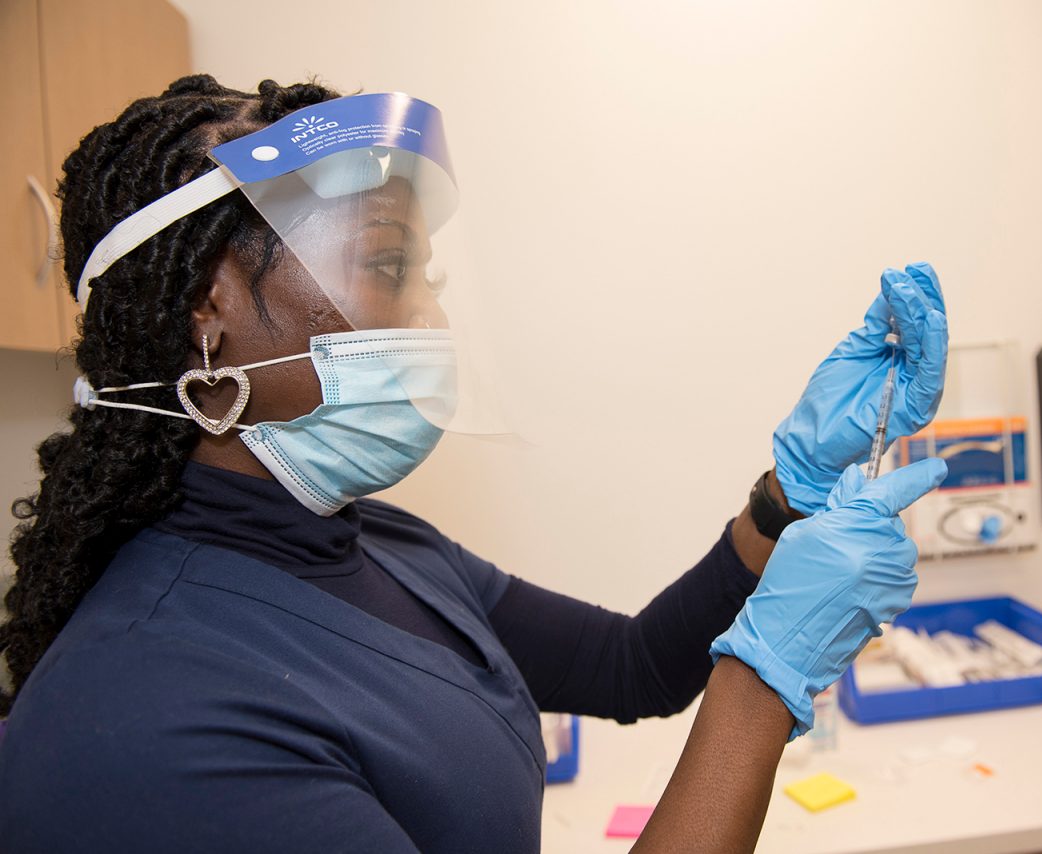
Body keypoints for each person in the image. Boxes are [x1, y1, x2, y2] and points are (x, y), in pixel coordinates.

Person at [0, 76, 948, 853]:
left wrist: (789, 494)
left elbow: (634, 668)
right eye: (387, 265)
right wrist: (767, 681)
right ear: (211, 310)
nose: (430, 319)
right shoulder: (149, 716)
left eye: (428, 277)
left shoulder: (373, 543)